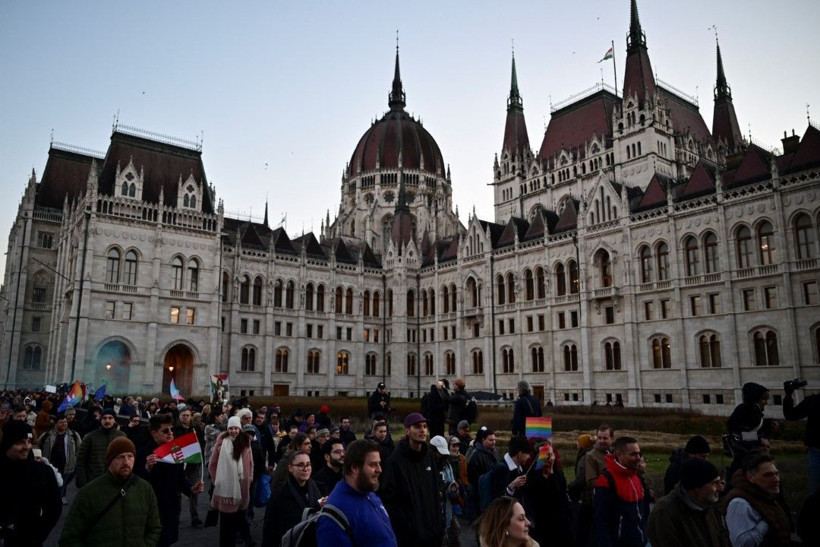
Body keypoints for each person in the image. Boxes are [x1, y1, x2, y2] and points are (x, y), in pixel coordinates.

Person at [59, 436, 162, 546]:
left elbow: (154, 528)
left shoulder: (144, 488)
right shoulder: (89, 492)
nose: (126, 462)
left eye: (130, 456)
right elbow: (69, 538)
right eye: (120, 457)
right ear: (109, 461)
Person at [137, 414, 205, 546]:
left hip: (171, 507)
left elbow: (180, 479)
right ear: (154, 433)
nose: (170, 433)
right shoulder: (143, 453)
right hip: (151, 509)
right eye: (165, 430)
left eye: (171, 430)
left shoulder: (175, 451)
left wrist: (191, 489)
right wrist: (147, 468)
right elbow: (135, 481)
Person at [379, 412, 444, 547]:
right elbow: (389, 500)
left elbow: (435, 492)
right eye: (417, 426)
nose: (422, 430)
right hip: (409, 536)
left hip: (433, 533)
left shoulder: (429, 457)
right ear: (407, 431)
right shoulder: (395, 461)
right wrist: (408, 525)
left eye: (425, 426)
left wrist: (438, 524)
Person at [317, 439, 397, 546]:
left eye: (379, 463)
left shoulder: (368, 492)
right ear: (354, 467)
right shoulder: (334, 516)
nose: (379, 469)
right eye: (373, 464)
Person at [0, 421, 62, 546]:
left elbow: (54, 509)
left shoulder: (43, 472)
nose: (27, 447)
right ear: (6, 443)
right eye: (20, 442)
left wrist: (37, 536)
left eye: (28, 441)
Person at [647, 457, 728, 547]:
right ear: (696, 487)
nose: (720, 488)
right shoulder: (665, 512)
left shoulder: (710, 505)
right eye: (714, 483)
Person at [723, 452, 792, 547]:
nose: (776, 479)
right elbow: (741, 544)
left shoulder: (766, 495)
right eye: (768, 475)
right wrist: (766, 520)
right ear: (750, 477)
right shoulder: (739, 503)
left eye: (776, 474)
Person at [593, 436, 650, 547]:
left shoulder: (636, 478)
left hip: (642, 540)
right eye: (633, 454)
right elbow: (601, 521)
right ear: (619, 454)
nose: (638, 458)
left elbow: (642, 513)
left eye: (639, 453)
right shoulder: (606, 481)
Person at [209, 415, 254, 547]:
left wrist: (249, 478)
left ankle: (244, 538)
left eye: (236, 428)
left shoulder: (245, 442)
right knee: (226, 522)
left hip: (242, 486)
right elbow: (213, 464)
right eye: (231, 428)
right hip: (225, 487)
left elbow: (250, 463)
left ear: (239, 429)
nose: (233, 431)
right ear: (227, 429)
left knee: (239, 517)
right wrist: (217, 480)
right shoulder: (221, 442)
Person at [261, 450, 323, 547]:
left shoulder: (313, 486)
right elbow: (270, 527)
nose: (305, 469)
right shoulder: (280, 493)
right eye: (300, 465)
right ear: (290, 468)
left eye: (308, 464)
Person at [522, 440, 572, 547]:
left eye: (550, 454)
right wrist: (544, 477)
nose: (549, 458)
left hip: (560, 523)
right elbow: (531, 497)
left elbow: (562, 494)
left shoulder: (558, 472)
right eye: (545, 455)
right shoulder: (533, 474)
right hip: (543, 523)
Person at [726, 382, 772, 483]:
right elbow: (737, 435)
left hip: (752, 457)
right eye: (764, 399)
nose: (766, 402)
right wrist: (759, 439)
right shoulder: (747, 410)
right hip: (745, 458)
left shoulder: (752, 410)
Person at [782, 379, 820, 493]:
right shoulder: (815, 401)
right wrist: (788, 395)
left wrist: (788, 393)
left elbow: (791, 415)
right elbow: (791, 415)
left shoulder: (814, 401)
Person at [38, 413, 83, 504]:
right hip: (51, 465)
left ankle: (58, 499)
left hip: (66, 465)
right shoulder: (46, 435)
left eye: (65, 422)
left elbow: (80, 448)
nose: (64, 424)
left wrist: (75, 459)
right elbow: (38, 446)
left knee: (62, 484)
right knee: (51, 483)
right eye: (61, 422)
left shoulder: (73, 435)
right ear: (55, 423)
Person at [75, 407, 126, 488]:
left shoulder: (121, 436)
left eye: (110, 418)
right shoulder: (90, 437)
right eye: (104, 418)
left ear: (114, 420)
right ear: (101, 420)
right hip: (94, 482)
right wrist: (83, 483)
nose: (107, 421)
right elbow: (81, 461)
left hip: (115, 482)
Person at [430, 435, 462, 546]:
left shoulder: (447, 466)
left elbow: (452, 491)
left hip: (446, 511)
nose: (442, 456)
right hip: (431, 514)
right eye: (439, 453)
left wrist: (453, 489)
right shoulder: (426, 467)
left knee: (455, 535)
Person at [489, 436, 533, 503]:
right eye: (527, 454)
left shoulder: (521, 468)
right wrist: (511, 486)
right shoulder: (501, 468)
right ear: (520, 454)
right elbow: (497, 499)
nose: (529, 457)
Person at [567, 433, 594, 503]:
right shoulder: (591, 454)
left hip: (586, 496)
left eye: (578, 442)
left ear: (583, 444)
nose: (577, 443)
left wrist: (570, 485)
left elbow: (580, 480)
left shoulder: (585, 458)